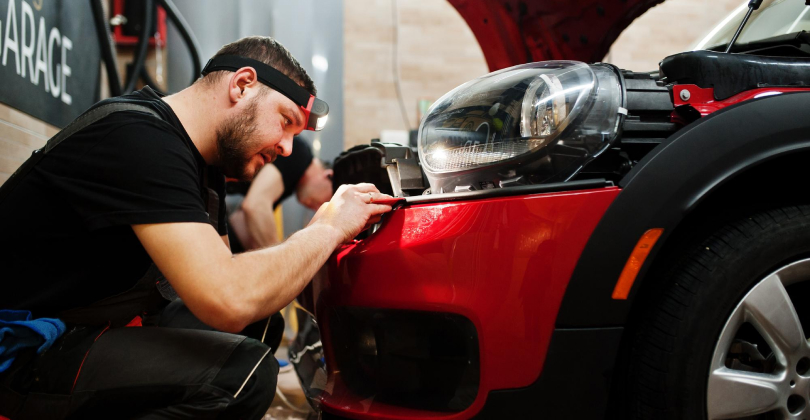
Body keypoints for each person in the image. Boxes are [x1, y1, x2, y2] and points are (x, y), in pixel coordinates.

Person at [0, 36, 392, 419]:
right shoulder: (139, 137)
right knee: (243, 376)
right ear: (242, 85)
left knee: (259, 323)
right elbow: (228, 298)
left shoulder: (205, 167)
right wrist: (327, 228)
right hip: (23, 347)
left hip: (88, 323)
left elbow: (234, 289)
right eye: (286, 121)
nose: (288, 149)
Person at [227, 137, 334, 252]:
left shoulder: (292, 182)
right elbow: (256, 205)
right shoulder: (299, 154)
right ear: (328, 175)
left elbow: (240, 220)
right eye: (324, 203)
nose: (316, 209)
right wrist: (280, 257)